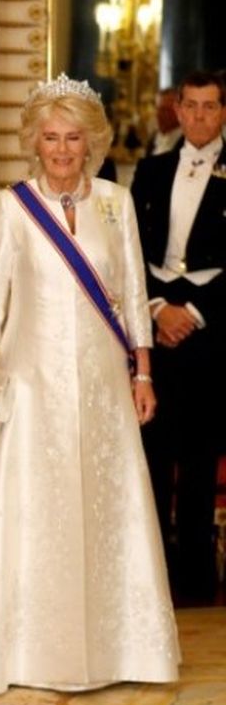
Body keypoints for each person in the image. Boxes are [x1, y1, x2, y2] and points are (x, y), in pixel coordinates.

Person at [0, 73, 180, 695]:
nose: (63, 150)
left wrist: (143, 371)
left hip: (102, 381)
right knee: (32, 506)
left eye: (74, 138)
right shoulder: (14, 206)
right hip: (33, 376)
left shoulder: (114, 203)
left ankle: (119, 649)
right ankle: (20, 654)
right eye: (51, 138)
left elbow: (131, 292)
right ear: (35, 143)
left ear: (91, 142)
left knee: (106, 507)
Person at [132, 70, 226, 603]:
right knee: (153, 461)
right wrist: (157, 308)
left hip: (211, 339)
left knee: (198, 461)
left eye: (209, 107)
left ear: (223, 112)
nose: (198, 117)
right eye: (189, 106)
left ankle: (194, 586)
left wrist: (191, 309)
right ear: (178, 110)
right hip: (156, 336)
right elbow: (127, 252)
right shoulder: (149, 171)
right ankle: (152, 585)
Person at [145, 87, 183, 157]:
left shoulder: (189, 142)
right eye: (158, 109)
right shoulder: (154, 139)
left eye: (166, 110)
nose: (160, 115)